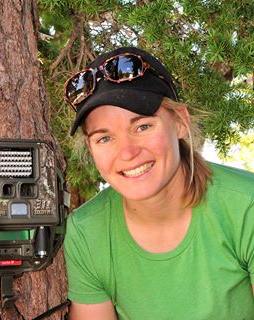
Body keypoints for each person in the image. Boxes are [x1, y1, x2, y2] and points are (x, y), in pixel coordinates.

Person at [63, 46, 254, 319]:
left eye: (142, 127)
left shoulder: (246, 206)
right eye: (104, 138)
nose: (127, 153)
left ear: (179, 122)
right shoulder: (86, 232)